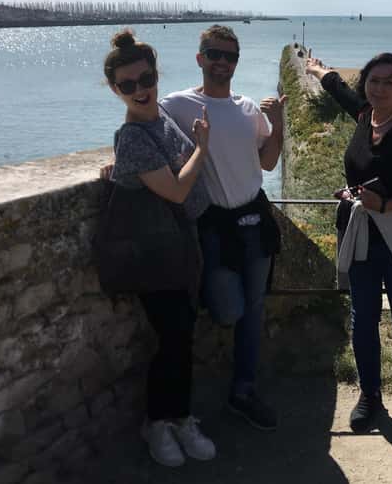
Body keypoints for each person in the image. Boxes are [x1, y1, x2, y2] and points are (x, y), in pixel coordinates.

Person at [305, 53, 392, 439]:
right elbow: (339, 91)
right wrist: (319, 72)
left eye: (389, 82)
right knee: (362, 320)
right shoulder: (367, 115)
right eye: (373, 80)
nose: (380, 88)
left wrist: (383, 204)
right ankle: (370, 395)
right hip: (363, 235)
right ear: (365, 83)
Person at [160, 24, 286, 431]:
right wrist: (117, 160)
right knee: (228, 309)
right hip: (214, 230)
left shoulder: (248, 109)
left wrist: (278, 122)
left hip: (255, 222)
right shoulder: (177, 105)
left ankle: (242, 392)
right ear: (200, 58)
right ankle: (188, 399)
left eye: (230, 56)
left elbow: (268, 162)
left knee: (253, 312)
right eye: (214, 54)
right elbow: (142, 124)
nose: (222, 62)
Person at [103, 29, 215, 468]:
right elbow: (175, 191)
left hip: (180, 248)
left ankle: (181, 418)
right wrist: (202, 149)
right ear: (115, 90)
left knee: (182, 337)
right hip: (156, 254)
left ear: (155, 74)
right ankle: (157, 424)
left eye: (145, 79)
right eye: (128, 85)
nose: (140, 90)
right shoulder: (133, 135)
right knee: (172, 339)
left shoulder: (158, 117)